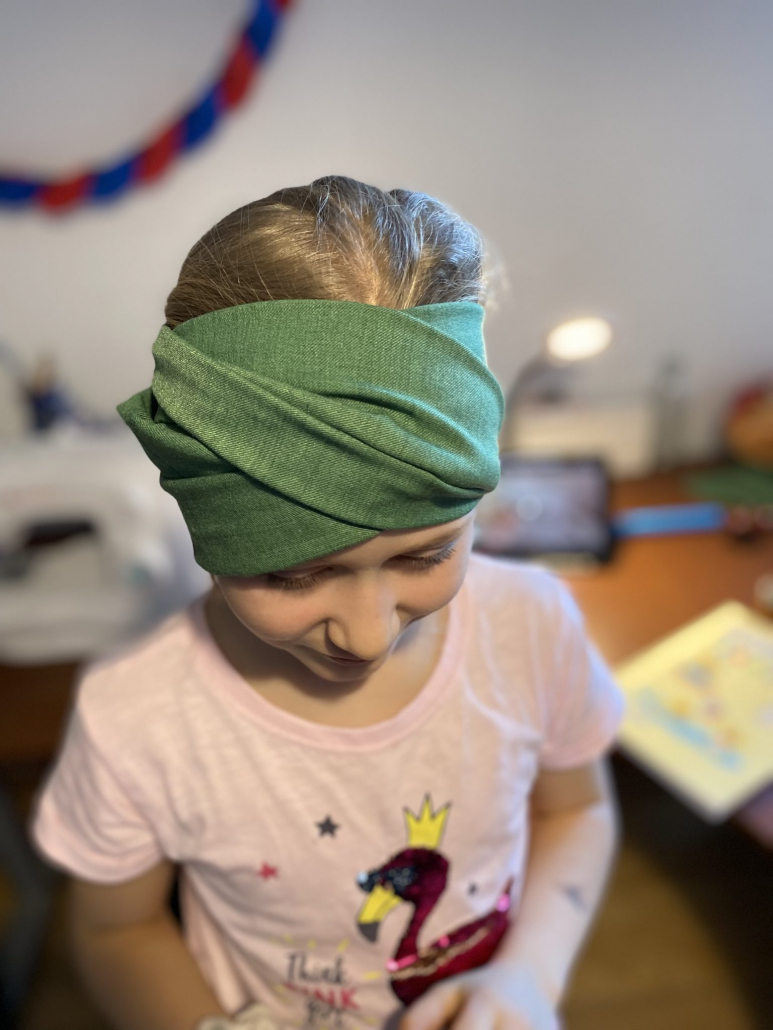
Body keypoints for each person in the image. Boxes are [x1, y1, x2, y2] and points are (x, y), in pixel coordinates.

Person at [28, 176, 624, 1030]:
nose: (367, 635)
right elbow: (116, 930)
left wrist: (527, 975)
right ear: (209, 532)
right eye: (293, 575)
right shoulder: (138, 721)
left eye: (425, 554)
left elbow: (579, 806)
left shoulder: (530, 627)